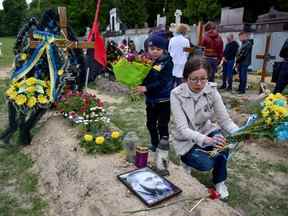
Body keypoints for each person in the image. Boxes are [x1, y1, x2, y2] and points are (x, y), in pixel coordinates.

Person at [170, 57, 239, 199]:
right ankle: (185, 161)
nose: (199, 84)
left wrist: (240, 132)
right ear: (185, 78)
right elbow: (183, 129)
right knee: (206, 164)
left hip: (206, 130)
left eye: (203, 79)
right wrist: (206, 140)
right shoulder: (176, 94)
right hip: (185, 138)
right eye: (194, 79)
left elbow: (224, 119)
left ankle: (219, 181)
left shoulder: (212, 91)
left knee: (223, 146)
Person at [135, 33, 173, 161]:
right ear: (147, 49)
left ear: (163, 49)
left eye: (158, 49)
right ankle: (155, 144)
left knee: (162, 125)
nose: (155, 52)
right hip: (150, 100)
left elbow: (164, 81)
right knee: (150, 124)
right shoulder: (146, 61)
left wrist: (147, 88)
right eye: (152, 49)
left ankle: (164, 147)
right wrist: (138, 83)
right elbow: (143, 76)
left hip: (163, 99)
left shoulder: (167, 62)